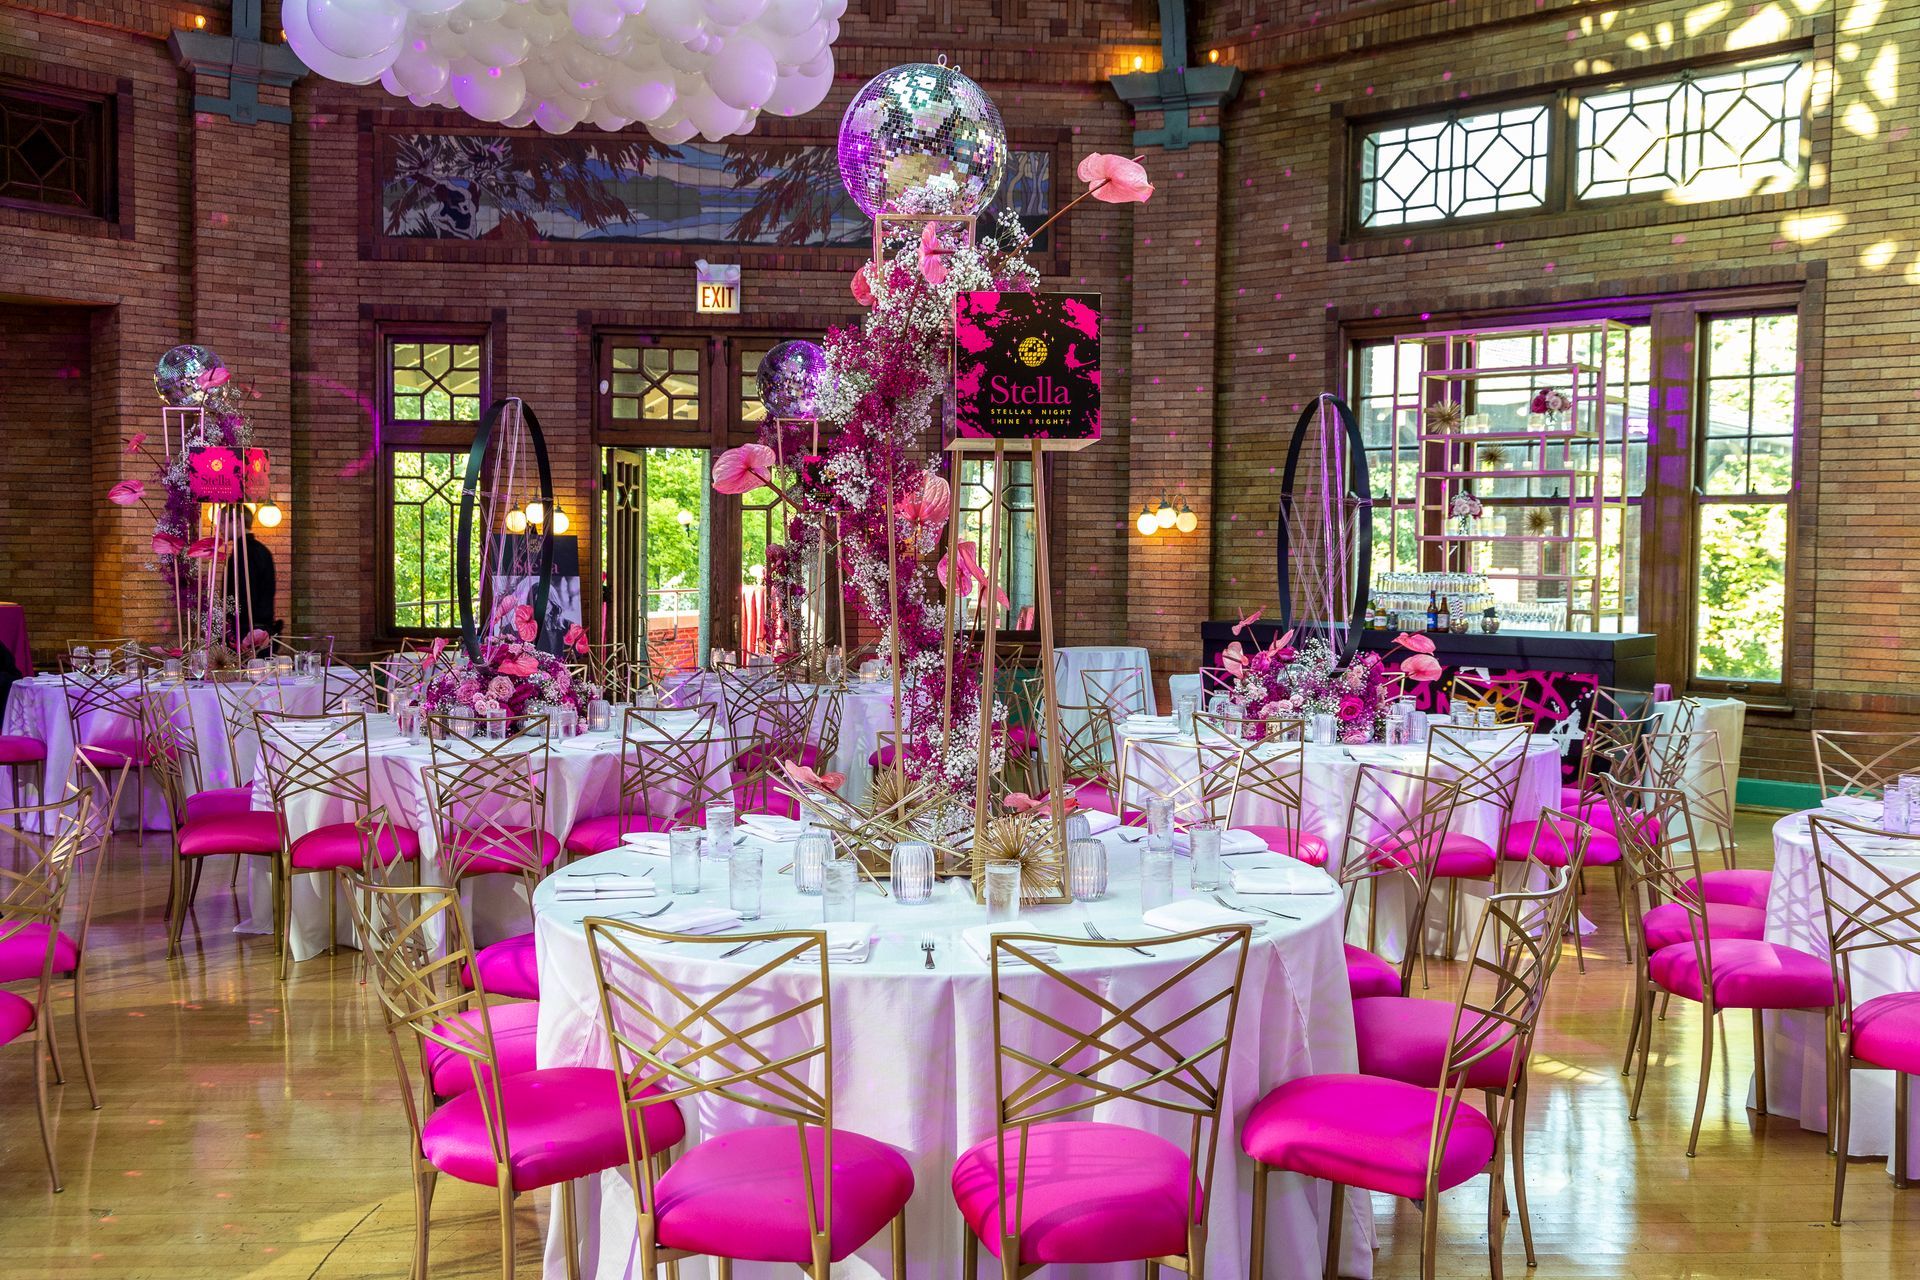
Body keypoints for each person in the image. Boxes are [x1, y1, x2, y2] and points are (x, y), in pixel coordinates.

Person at [227, 506, 281, 641]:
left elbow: (242, 594)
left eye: (222, 522)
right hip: (259, 628)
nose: (219, 528)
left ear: (237, 522)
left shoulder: (244, 553)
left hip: (248, 632)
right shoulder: (261, 550)